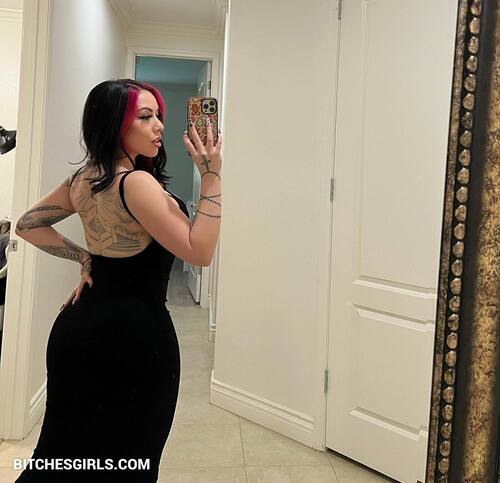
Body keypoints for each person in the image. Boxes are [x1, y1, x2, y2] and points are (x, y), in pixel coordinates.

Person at [13, 78, 222, 482]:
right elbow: (200, 252)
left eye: (158, 115)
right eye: (145, 117)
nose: (159, 125)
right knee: (131, 459)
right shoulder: (136, 182)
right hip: (133, 339)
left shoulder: (82, 180)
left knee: (60, 455)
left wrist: (85, 257)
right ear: (113, 124)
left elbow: (27, 225)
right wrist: (211, 176)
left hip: (76, 329)